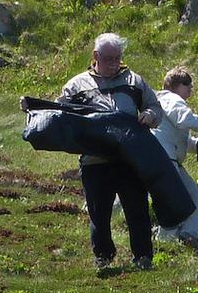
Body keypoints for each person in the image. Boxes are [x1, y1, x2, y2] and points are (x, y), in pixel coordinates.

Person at [59, 33, 162, 271]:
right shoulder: (76, 84)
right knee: (99, 212)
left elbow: (155, 106)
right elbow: (59, 113)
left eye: (118, 58)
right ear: (96, 56)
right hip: (95, 161)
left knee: (137, 209)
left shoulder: (135, 81)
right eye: (109, 59)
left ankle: (143, 257)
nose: (114, 63)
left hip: (130, 159)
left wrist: (150, 116)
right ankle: (103, 257)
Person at [152, 66, 198, 246]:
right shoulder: (172, 99)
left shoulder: (165, 103)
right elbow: (185, 119)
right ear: (176, 85)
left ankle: (188, 234)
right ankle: (166, 242)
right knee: (173, 201)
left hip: (166, 158)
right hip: (165, 159)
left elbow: (181, 139)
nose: (191, 91)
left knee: (194, 197)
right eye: (188, 86)